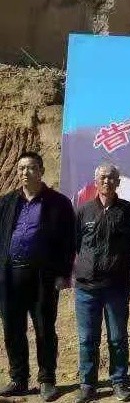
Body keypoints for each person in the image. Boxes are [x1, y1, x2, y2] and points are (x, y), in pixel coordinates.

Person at [0, 151, 76, 401]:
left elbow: (68, 242)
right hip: (11, 276)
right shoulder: (7, 202)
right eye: (21, 168)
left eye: (31, 167)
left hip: (43, 277)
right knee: (13, 329)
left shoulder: (58, 203)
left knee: (44, 328)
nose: (25, 172)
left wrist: (63, 274)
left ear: (41, 171)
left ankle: (47, 379)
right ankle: (18, 378)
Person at [73, 163, 130, 403]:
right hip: (86, 288)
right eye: (102, 177)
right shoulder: (83, 211)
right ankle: (87, 384)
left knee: (117, 338)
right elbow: (76, 244)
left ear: (118, 182)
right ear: (96, 181)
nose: (107, 181)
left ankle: (119, 381)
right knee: (87, 339)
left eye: (112, 177)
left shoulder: (128, 211)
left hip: (116, 287)